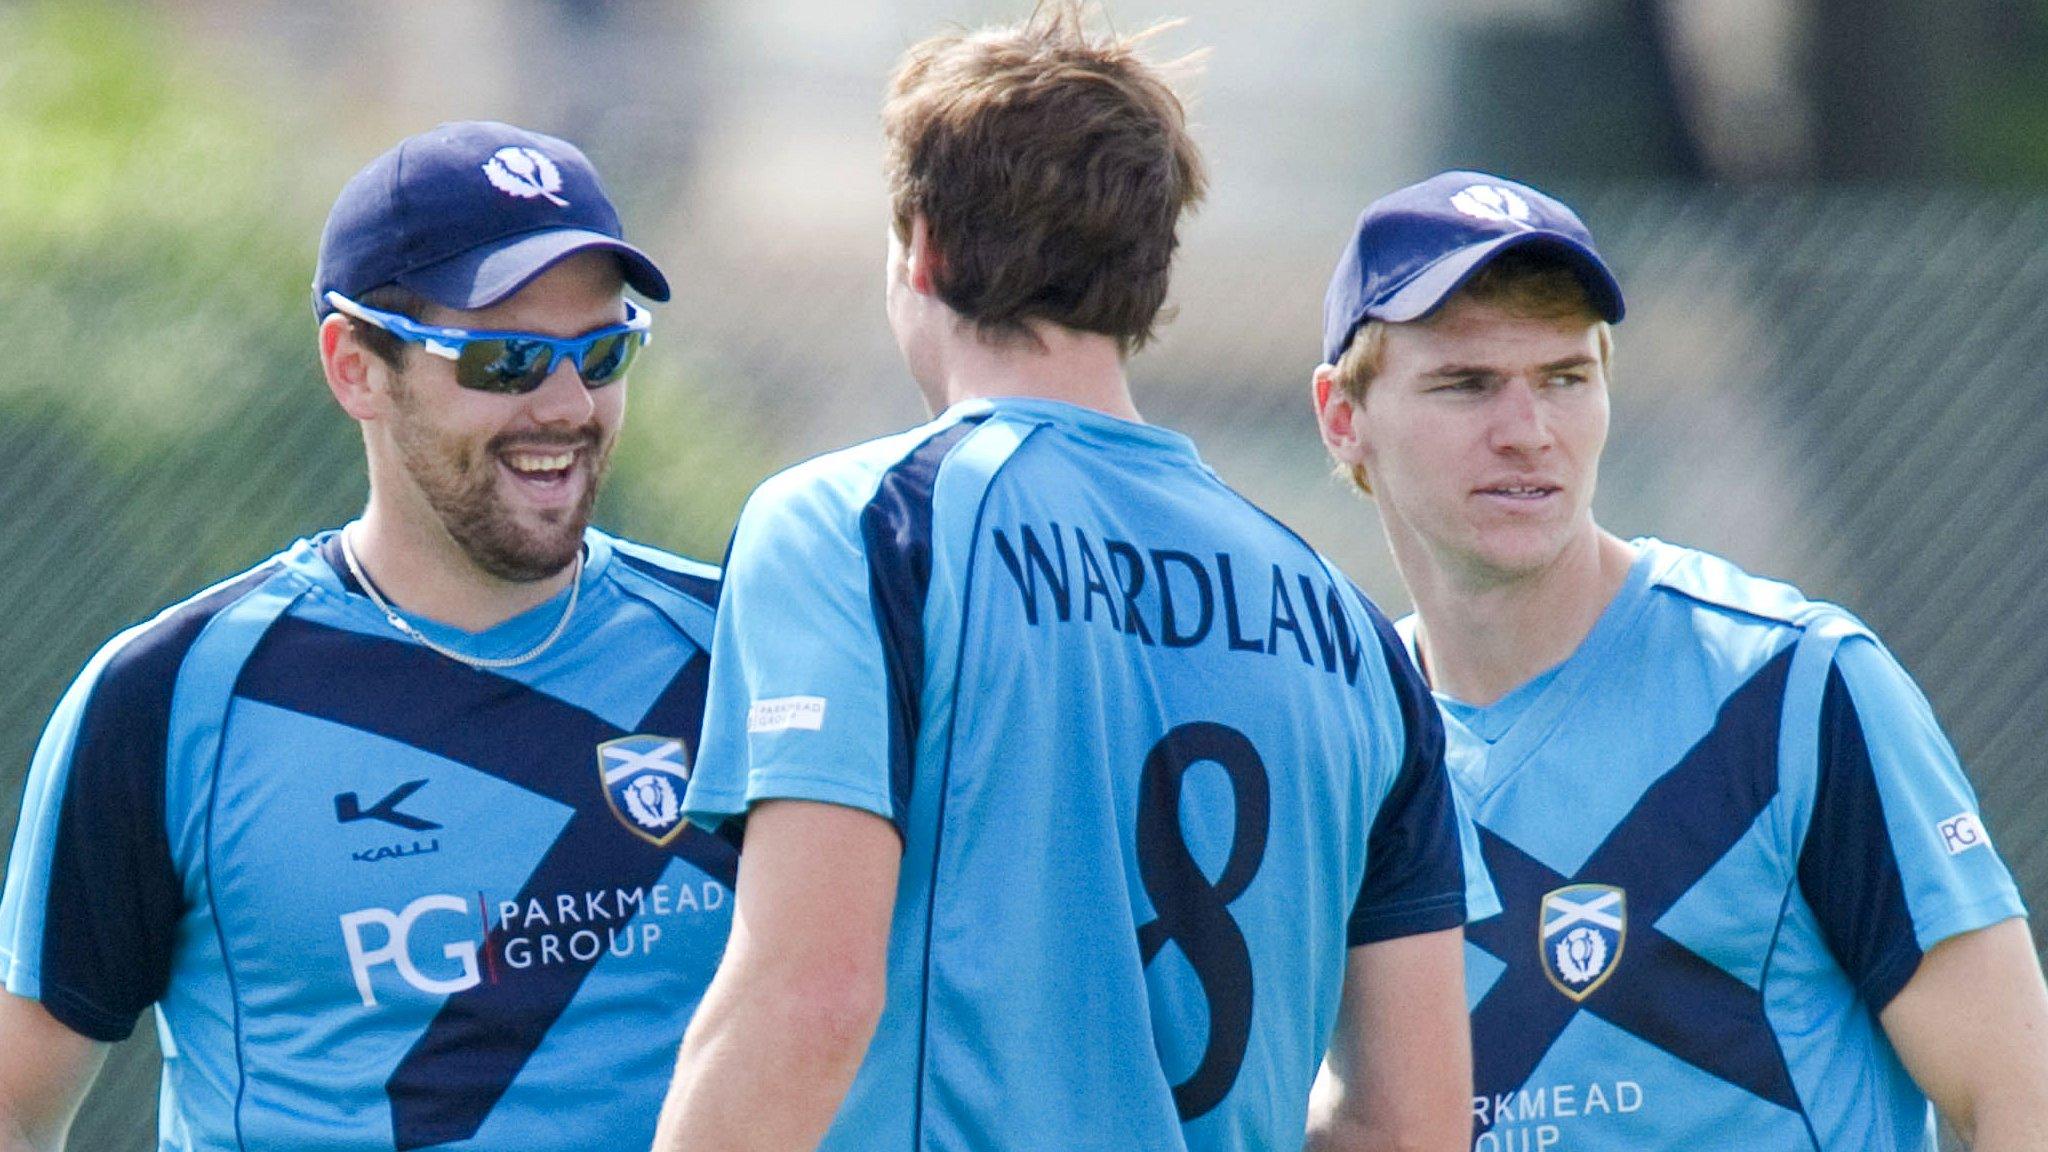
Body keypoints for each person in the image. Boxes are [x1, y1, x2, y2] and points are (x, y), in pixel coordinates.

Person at [652, 8, 1487, 1152]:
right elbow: (1411, 1130)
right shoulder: (1348, 632)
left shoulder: (862, 526)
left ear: (921, 248)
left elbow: (805, 1003)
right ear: (1147, 271)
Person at [0, 120, 736, 1152]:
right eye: (506, 359)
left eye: (602, 352)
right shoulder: (173, 695)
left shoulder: (743, 656)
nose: (568, 404)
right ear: (355, 368)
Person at [1311, 169, 2048, 1151]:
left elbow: (2016, 1095)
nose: (1527, 433)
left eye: (1565, 378)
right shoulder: (1337, 738)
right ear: (1341, 418)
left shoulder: (1791, 687)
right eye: (1466, 384)